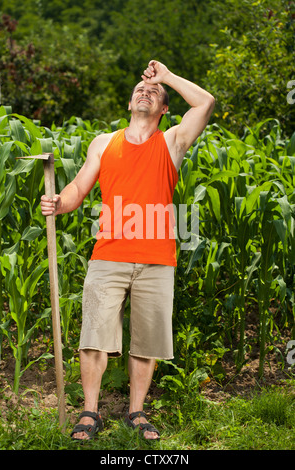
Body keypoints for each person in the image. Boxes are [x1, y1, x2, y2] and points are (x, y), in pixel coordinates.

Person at [41, 60, 215, 440]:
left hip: (157, 259)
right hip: (108, 255)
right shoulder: (104, 143)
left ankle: (136, 412)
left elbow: (205, 103)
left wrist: (165, 77)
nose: (144, 92)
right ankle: (89, 412)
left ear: (164, 109)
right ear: (129, 102)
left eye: (154, 94)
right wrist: (59, 202)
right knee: (94, 335)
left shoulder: (172, 141)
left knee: (146, 341)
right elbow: (78, 188)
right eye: (140, 90)